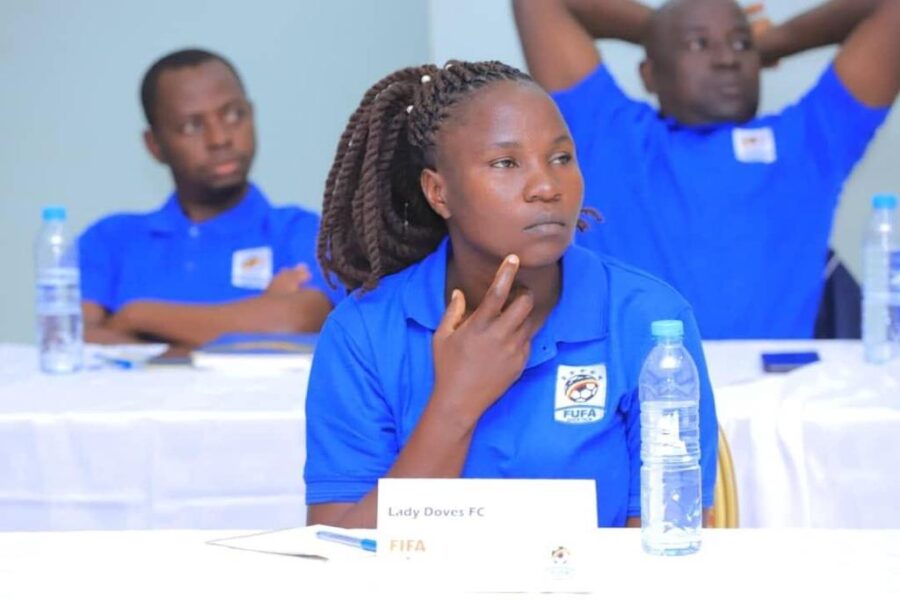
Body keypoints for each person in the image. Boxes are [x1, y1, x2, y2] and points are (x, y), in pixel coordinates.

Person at [303, 60, 718, 528]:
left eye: (561, 158)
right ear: (438, 192)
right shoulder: (363, 333)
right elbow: (336, 547)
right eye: (506, 163)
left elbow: (668, 539)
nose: (546, 187)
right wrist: (455, 403)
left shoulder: (649, 319)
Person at [512, 0, 900, 339]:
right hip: (639, 385)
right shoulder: (610, 135)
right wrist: (666, 28)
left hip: (777, 390)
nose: (728, 59)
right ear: (650, 74)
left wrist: (773, 41)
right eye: (699, 44)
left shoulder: (809, 141)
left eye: (741, 45)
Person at [79, 49, 340, 348]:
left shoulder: (300, 231)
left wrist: (136, 317)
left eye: (233, 114)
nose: (220, 139)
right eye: (192, 126)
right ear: (155, 145)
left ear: (252, 114)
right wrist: (253, 320)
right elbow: (74, 340)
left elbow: (296, 321)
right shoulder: (110, 239)